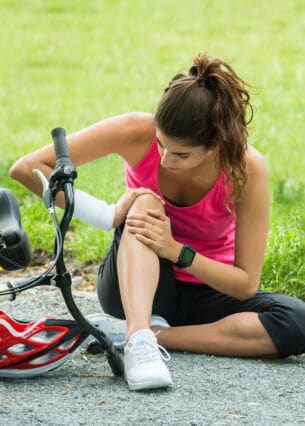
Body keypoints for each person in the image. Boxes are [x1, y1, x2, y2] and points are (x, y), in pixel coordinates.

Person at [10, 52, 305, 391]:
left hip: (208, 291)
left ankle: (154, 336)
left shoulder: (247, 169)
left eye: (181, 154)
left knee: (296, 322)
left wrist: (176, 250)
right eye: (162, 144)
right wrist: (107, 214)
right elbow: (28, 167)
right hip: (135, 285)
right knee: (145, 200)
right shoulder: (135, 130)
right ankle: (138, 337)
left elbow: (244, 285)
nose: (165, 159)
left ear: (215, 146)